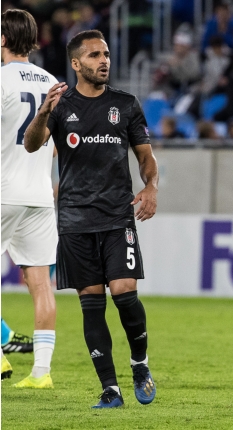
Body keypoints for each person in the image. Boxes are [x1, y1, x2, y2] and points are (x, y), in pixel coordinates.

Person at [23, 30, 159, 408]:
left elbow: (146, 157)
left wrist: (151, 187)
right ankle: (110, 389)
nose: (104, 61)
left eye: (107, 54)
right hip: (74, 220)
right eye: (95, 55)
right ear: (76, 63)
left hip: (117, 216)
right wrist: (43, 113)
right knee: (92, 300)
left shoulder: (126, 104)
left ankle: (140, 364)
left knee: (125, 292)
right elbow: (33, 143)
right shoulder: (62, 106)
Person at [1, 8, 59, 389]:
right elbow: (52, 145)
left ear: (4, 40)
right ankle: (41, 373)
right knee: (41, 284)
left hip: (3, 190)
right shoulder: (53, 81)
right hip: (39, 194)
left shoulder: (1, 79)